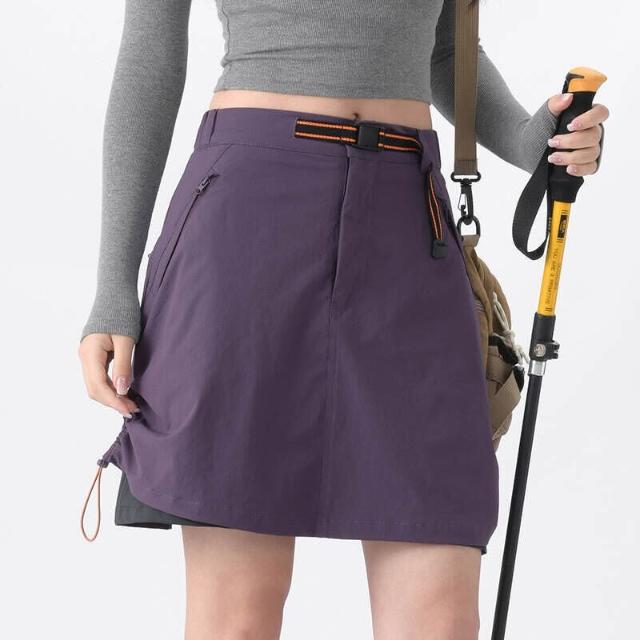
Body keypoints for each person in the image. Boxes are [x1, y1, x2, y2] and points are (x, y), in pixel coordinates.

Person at [78, 1, 607, 638]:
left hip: (408, 229)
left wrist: (535, 141)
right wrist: (113, 289)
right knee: (236, 617)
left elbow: (446, 50)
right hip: (246, 224)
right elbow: (151, 60)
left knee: (439, 618)